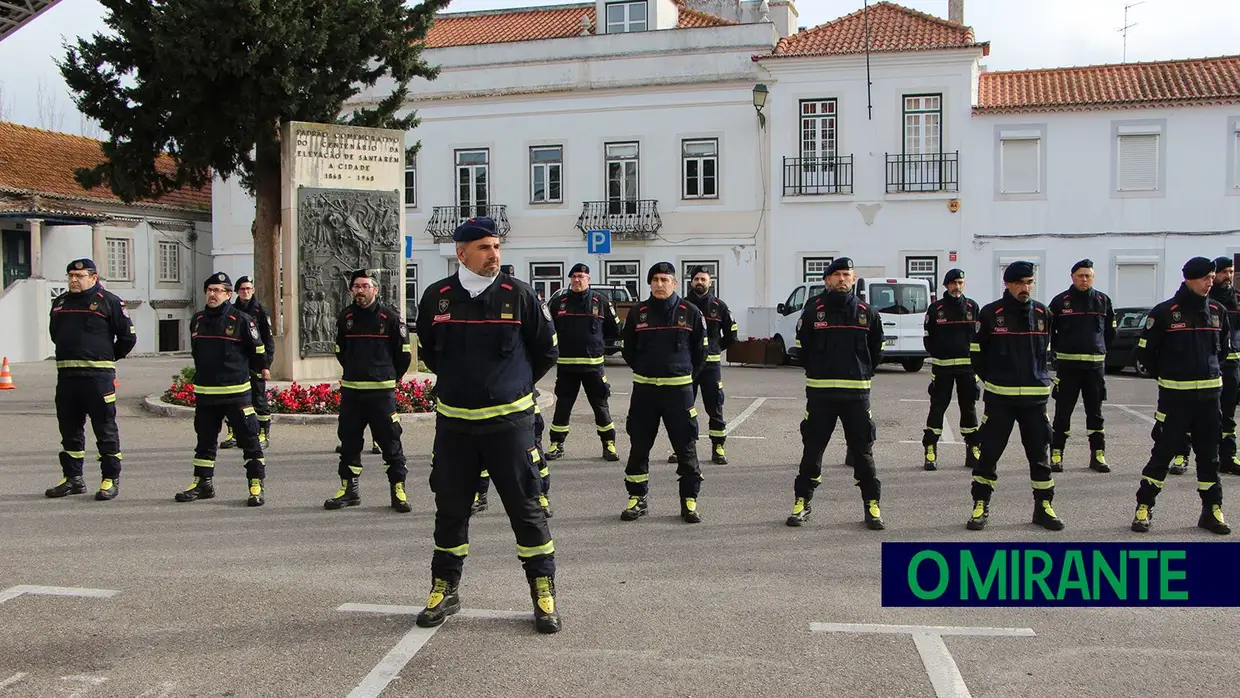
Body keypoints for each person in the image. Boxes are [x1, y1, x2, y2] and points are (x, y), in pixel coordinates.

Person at [414, 217, 561, 634]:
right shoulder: (436, 297)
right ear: (461, 253)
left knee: (527, 510)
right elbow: (430, 351)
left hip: (509, 428)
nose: (494, 255)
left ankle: (543, 591)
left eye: (496, 246)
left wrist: (509, 387)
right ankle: (445, 587)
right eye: (484, 247)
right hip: (456, 429)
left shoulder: (520, 295)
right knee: (451, 511)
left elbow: (545, 352)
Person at [1131, 257, 1232, 534]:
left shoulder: (1217, 310)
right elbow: (1145, 354)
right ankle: (1144, 506)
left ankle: (1212, 510)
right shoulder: (1164, 313)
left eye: (1212, 277)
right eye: (1204, 278)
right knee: (1162, 455)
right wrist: (1169, 376)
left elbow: (1222, 351)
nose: (1210, 282)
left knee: (1209, 458)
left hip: (1210, 401)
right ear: (1188, 278)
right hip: (1175, 401)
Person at [785, 257, 886, 530]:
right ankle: (801, 502)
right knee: (813, 451)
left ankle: (872, 505)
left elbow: (876, 351)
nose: (842, 279)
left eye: (847, 275)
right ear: (827, 280)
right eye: (837, 275)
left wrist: (862, 372)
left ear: (854, 279)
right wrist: (819, 370)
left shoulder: (868, 312)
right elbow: (801, 348)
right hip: (821, 395)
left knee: (863, 453)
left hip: (856, 395)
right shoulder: (812, 311)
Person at [968, 261, 1062, 531]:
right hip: (1000, 400)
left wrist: (1042, 380)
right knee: (989, 454)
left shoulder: (1044, 313)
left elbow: (1049, 352)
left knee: (1039, 457)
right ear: (1007, 284)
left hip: (1035, 401)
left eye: (1029, 282)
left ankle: (1043, 507)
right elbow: (977, 355)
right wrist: (996, 380)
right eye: (1020, 283)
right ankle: (980, 505)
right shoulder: (990, 314)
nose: (1026, 288)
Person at [618, 261, 707, 524]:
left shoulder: (690, 312)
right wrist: (648, 371)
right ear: (649, 283)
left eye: (664, 280)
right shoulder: (637, 313)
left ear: (675, 283)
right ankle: (637, 498)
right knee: (639, 447)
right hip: (645, 391)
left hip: (678, 393)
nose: (659, 284)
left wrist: (679, 375)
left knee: (686, 447)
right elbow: (628, 350)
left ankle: (689, 500)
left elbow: (700, 354)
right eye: (655, 280)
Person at [45, 258, 136, 501]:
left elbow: (127, 338)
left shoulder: (110, 302)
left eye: (80, 276)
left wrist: (108, 358)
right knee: (70, 430)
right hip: (67, 378)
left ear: (94, 278)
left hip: (98, 378)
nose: (74, 280)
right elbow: (55, 335)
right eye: (71, 276)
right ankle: (73, 478)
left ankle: (109, 479)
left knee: (104, 429)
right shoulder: (61, 303)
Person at [174, 272, 268, 506]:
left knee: (249, 440)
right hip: (206, 394)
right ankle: (202, 483)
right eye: (209, 290)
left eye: (218, 290)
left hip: (236, 394)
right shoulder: (197, 320)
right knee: (204, 442)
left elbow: (257, 353)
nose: (212, 294)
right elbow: (197, 353)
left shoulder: (242, 320)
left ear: (228, 294)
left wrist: (253, 373)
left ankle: (255, 484)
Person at [324, 270, 413, 513]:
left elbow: (404, 354)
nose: (360, 290)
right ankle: (349, 490)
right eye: (356, 286)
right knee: (349, 442)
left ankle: (398, 490)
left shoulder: (391, 318)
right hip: (352, 392)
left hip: (381, 394)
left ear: (375, 290)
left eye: (365, 286)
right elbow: (341, 351)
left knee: (390, 442)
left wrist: (389, 376)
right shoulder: (346, 317)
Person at [545, 262, 621, 462]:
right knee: (563, 406)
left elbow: (614, 329)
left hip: (593, 366)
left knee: (600, 406)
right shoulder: (559, 302)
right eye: (574, 277)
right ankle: (556, 444)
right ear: (570, 280)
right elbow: (547, 329)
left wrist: (596, 344)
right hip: (567, 367)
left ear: (589, 279)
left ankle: (609, 444)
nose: (577, 280)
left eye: (581, 276)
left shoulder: (600, 301)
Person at [1048, 259, 1116, 473]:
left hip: (1094, 369)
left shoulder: (1103, 301)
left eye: (1088, 275)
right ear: (1072, 277)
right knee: (1062, 413)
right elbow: (1050, 333)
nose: (1084, 279)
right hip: (1068, 368)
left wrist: (1099, 349)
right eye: (1080, 276)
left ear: (1093, 277)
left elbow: (1110, 334)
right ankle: (1056, 453)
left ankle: (1098, 455)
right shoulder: (1060, 302)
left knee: (1095, 414)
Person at [920, 268, 981, 471]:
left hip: (967, 369)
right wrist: (939, 355)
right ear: (946, 285)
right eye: (953, 283)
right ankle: (930, 448)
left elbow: (980, 340)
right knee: (937, 408)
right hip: (943, 368)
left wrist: (978, 366)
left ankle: (973, 448)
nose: (957, 287)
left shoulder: (973, 307)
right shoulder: (936, 309)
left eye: (960, 283)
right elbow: (928, 337)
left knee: (969, 408)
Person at [678, 266, 737, 465]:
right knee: (684, 407)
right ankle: (684, 448)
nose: (699, 282)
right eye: (696, 279)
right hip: (688, 366)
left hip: (711, 366)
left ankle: (718, 447)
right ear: (691, 282)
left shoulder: (719, 306)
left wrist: (714, 349)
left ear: (710, 282)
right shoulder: (682, 306)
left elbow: (731, 334)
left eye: (703, 279)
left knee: (715, 407)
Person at [473, 387, 552, 518]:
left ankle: (542, 495)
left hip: (522, 406)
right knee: (481, 452)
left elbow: (541, 367)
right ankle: (480, 495)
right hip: (486, 406)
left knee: (533, 455)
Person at [220, 276, 275, 449]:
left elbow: (268, 340)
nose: (246, 292)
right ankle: (234, 434)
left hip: (255, 362)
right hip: (237, 363)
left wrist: (266, 365)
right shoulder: (231, 310)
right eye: (243, 289)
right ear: (236, 291)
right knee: (233, 400)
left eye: (249, 289)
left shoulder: (261, 311)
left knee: (259, 399)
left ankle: (263, 434)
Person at [1210, 256, 1240, 476]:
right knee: (1198, 414)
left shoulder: (1238, 300)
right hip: (1208, 366)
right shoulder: (1205, 299)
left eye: (1231, 272)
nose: (1228, 276)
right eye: (1224, 272)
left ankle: (1228, 457)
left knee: (1228, 415)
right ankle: (1183, 455)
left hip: (1232, 367)